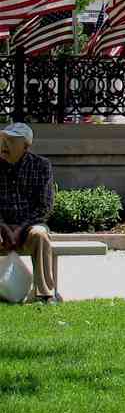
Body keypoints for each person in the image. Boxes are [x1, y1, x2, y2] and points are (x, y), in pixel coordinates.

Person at [0, 123, 58, 303]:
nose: (4, 145)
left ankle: (44, 294)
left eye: (11, 141)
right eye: (3, 139)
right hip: (1, 226)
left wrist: (20, 228)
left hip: (29, 226)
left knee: (40, 235)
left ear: (25, 146)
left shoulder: (41, 166)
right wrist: (3, 227)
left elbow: (45, 207)